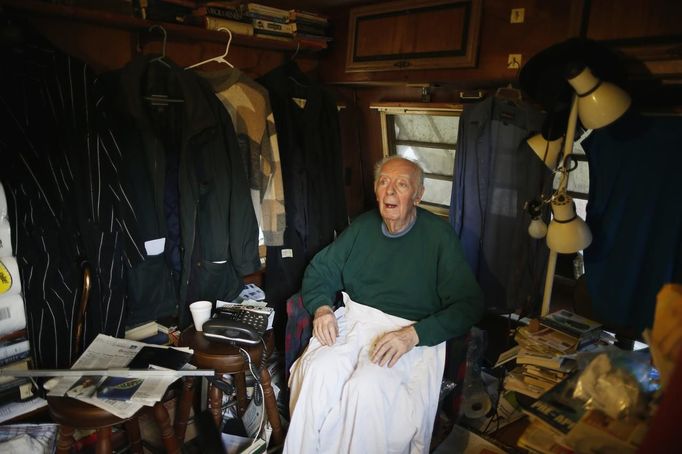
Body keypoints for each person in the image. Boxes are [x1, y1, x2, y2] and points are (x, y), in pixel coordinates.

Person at [283, 156, 484, 453]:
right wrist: (322, 308)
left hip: (408, 333)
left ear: (418, 195)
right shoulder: (362, 227)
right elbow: (321, 270)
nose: (390, 191)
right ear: (376, 190)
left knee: (367, 389)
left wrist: (414, 335)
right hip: (356, 320)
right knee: (319, 372)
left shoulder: (439, 237)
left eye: (401, 184)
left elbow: (469, 305)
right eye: (384, 182)